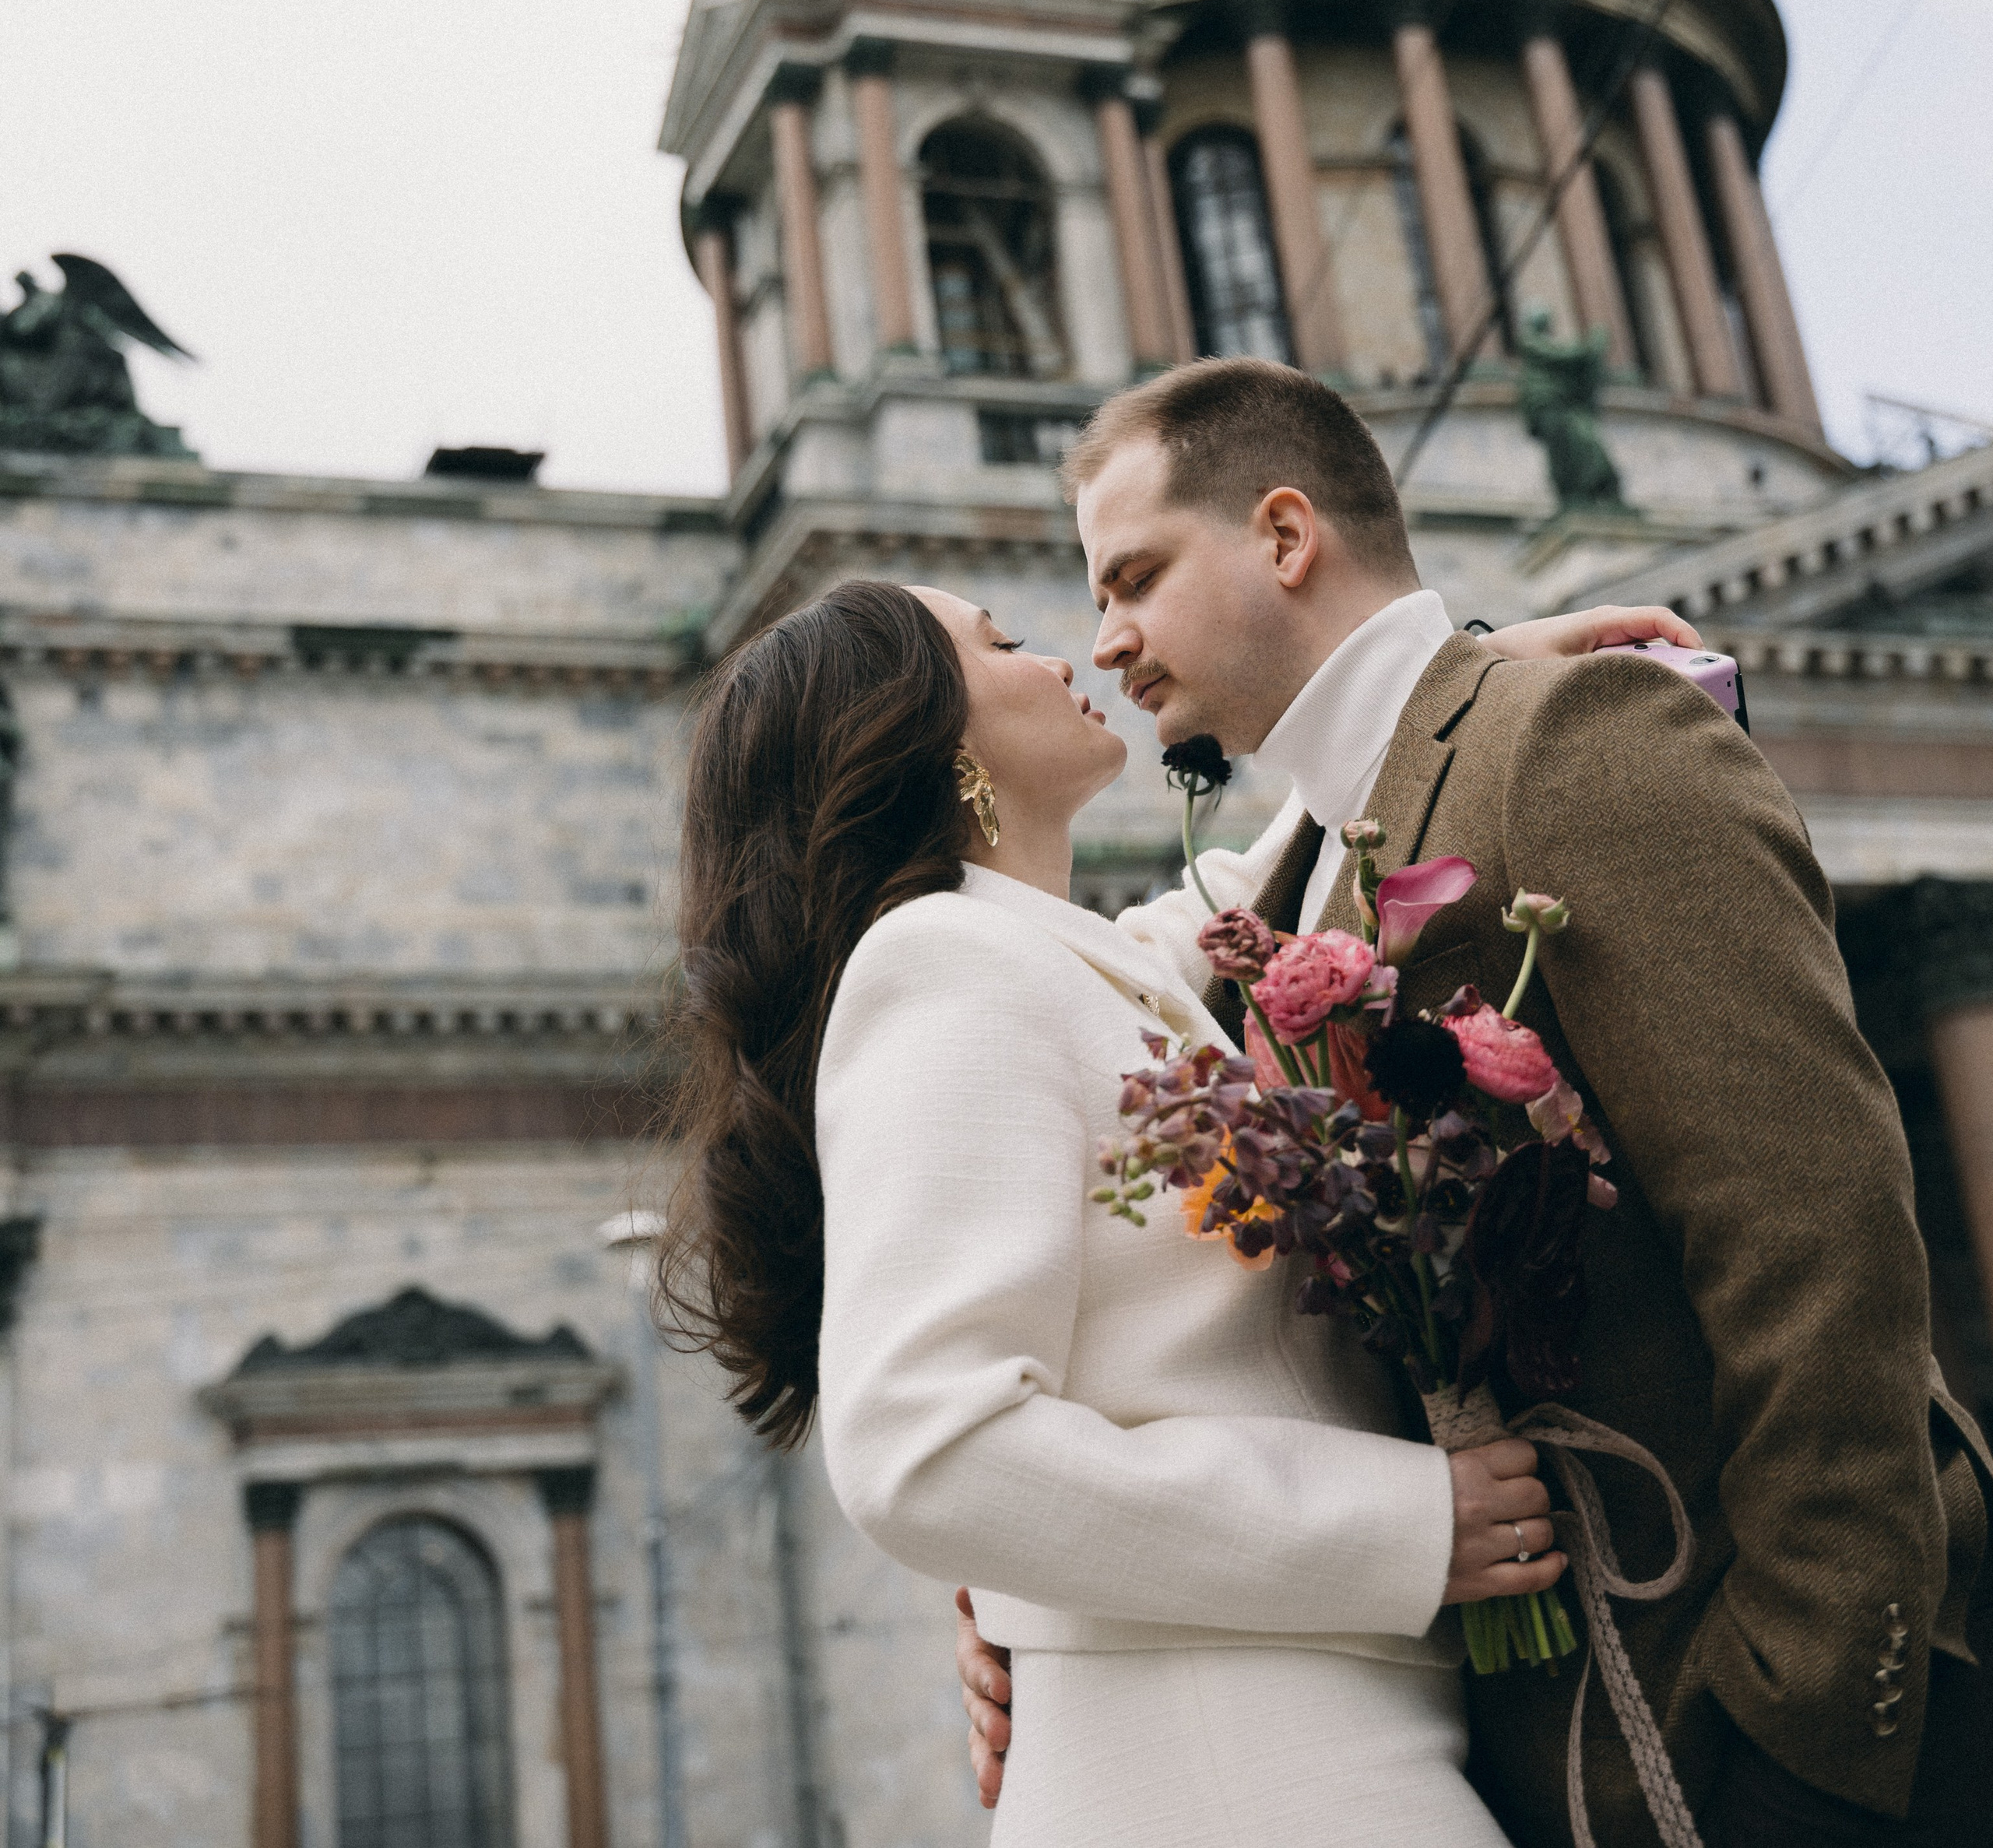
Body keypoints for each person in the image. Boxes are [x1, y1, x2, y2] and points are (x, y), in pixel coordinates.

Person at [954, 357, 1990, 1846]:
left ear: (1286, 533)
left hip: (1764, 1748)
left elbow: (1819, 1236)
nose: (1104, 639)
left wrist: (1810, 1731)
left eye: (1135, 577)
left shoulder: (1577, 737)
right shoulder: (1300, 868)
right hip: (1521, 1755)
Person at [657, 565, 1692, 1843]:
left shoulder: (1052, 957)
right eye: (1006, 643)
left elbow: (1247, 900)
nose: (1065, 659)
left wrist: (1458, 690)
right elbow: (930, 1446)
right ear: (928, 738)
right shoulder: (941, 967)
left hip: (1290, 1743)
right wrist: (1410, 1525)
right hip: (1240, 1767)